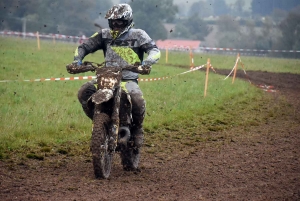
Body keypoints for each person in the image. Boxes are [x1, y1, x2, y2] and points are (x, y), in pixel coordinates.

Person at [66, 4, 160, 154]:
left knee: (137, 98)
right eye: (112, 21)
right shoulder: (104, 35)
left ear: (128, 20)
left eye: (119, 22)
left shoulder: (139, 35)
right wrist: (77, 60)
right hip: (106, 77)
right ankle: (100, 123)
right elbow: (84, 46)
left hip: (127, 79)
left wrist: (146, 63)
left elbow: (154, 51)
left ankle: (137, 129)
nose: (115, 25)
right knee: (84, 91)